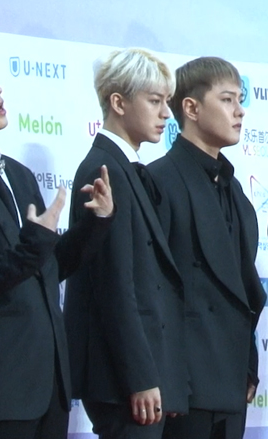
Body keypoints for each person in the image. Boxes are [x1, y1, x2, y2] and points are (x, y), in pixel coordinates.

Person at [0, 36, 113, 439]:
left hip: (50, 381)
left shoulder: (20, 175)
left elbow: (47, 267)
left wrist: (95, 223)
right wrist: (32, 247)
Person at [64, 48, 189, 439]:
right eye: (155, 101)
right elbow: (114, 284)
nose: (166, 114)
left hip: (139, 374)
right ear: (118, 103)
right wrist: (140, 377)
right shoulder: (105, 170)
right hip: (121, 381)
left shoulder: (126, 168)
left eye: (166, 102)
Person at [147, 56, 266, 439]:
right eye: (227, 100)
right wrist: (165, 379)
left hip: (232, 382)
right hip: (181, 387)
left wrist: (248, 365)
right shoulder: (158, 181)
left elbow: (243, 291)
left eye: (240, 100)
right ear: (191, 108)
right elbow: (152, 291)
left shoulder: (233, 189)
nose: (240, 111)